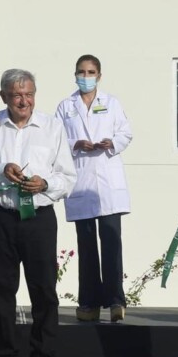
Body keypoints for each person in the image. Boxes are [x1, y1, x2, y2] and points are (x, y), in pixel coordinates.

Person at [0, 69, 76, 357]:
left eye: (28, 93)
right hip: (0, 218)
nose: (23, 100)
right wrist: (3, 170)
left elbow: (67, 177)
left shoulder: (52, 127)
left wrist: (45, 183)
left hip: (39, 219)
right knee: (2, 291)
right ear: (4, 97)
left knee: (44, 290)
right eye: (16, 94)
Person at [55, 54, 132, 322]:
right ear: (75, 74)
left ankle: (115, 301)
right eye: (81, 72)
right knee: (86, 245)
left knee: (111, 241)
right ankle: (88, 302)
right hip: (80, 178)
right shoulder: (66, 106)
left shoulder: (111, 103)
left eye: (91, 72)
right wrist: (77, 143)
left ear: (99, 75)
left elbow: (126, 133)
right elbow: (55, 139)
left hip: (108, 180)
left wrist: (111, 143)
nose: (85, 77)